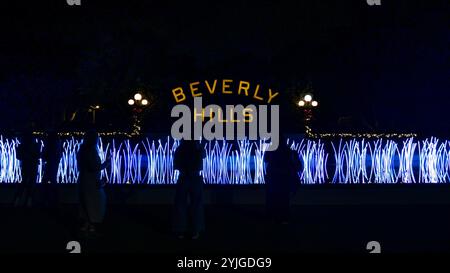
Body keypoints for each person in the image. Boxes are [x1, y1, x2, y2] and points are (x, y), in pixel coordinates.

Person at [77, 131, 110, 234]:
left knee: (85, 202)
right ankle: (91, 224)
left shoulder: (81, 150)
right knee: (94, 201)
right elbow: (94, 167)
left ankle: (86, 224)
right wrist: (106, 163)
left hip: (82, 179)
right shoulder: (91, 150)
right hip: (91, 180)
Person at [173, 140, 204, 239]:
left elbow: (176, 162)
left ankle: (180, 231)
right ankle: (195, 231)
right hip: (194, 177)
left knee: (181, 204)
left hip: (184, 177)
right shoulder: (197, 146)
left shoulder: (181, 147)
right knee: (196, 205)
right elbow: (203, 155)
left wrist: (182, 169)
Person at [265, 135, 299, 225]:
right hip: (284, 179)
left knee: (274, 199)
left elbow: (266, 160)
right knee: (284, 199)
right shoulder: (289, 151)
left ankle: (274, 218)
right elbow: (295, 166)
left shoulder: (271, 151)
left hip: (274, 179)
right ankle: (284, 219)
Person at [14, 130, 41, 208]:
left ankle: (18, 200)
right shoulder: (35, 145)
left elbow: (18, 157)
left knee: (24, 182)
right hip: (32, 167)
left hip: (26, 166)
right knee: (31, 184)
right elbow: (39, 155)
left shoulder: (22, 145)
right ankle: (28, 201)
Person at [42, 131, 61, 209]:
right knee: (52, 181)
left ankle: (48, 201)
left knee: (47, 181)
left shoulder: (51, 144)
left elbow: (45, 155)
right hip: (53, 163)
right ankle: (54, 201)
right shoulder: (57, 143)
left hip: (50, 163)